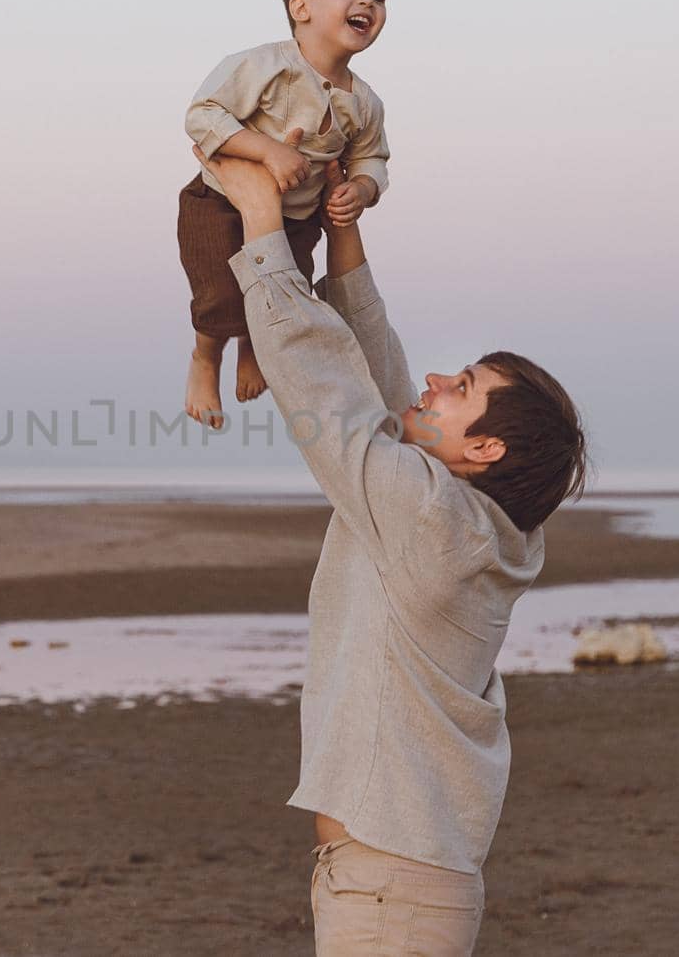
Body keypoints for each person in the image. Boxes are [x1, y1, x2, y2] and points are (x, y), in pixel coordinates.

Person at [191, 147, 588, 955]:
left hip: (392, 891)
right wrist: (343, 235)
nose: (438, 379)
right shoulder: (477, 525)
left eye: (465, 388)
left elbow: (330, 395)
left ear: (484, 451)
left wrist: (264, 226)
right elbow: (381, 383)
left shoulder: (436, 523)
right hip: (393, 879)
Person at [180, 0, 393, 428]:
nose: (367, 1)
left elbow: (372, 158)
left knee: (283, 290)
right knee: (218, 293)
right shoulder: (264, 66)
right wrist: (266, 150)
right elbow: (202, 114)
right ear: (301, 7)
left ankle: (255, 345)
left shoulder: (365, 103)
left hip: (296, 218)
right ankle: (206, 357)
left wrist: (360, 190)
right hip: (219, 200)